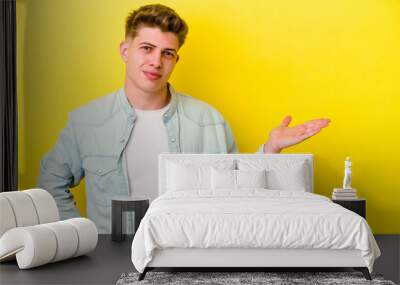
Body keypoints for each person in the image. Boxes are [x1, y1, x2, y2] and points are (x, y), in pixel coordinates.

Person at [38, 4, 330, 233]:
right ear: (125, 51)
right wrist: (82, 235)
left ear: (176, 60)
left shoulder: (209, 121)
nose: (156, 62)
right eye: (147, 49)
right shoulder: (87, 121)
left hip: (189, 256)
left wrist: (270, 151)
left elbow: (239, 188)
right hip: (115, 258)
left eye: (167, 53)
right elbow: (50, 183)